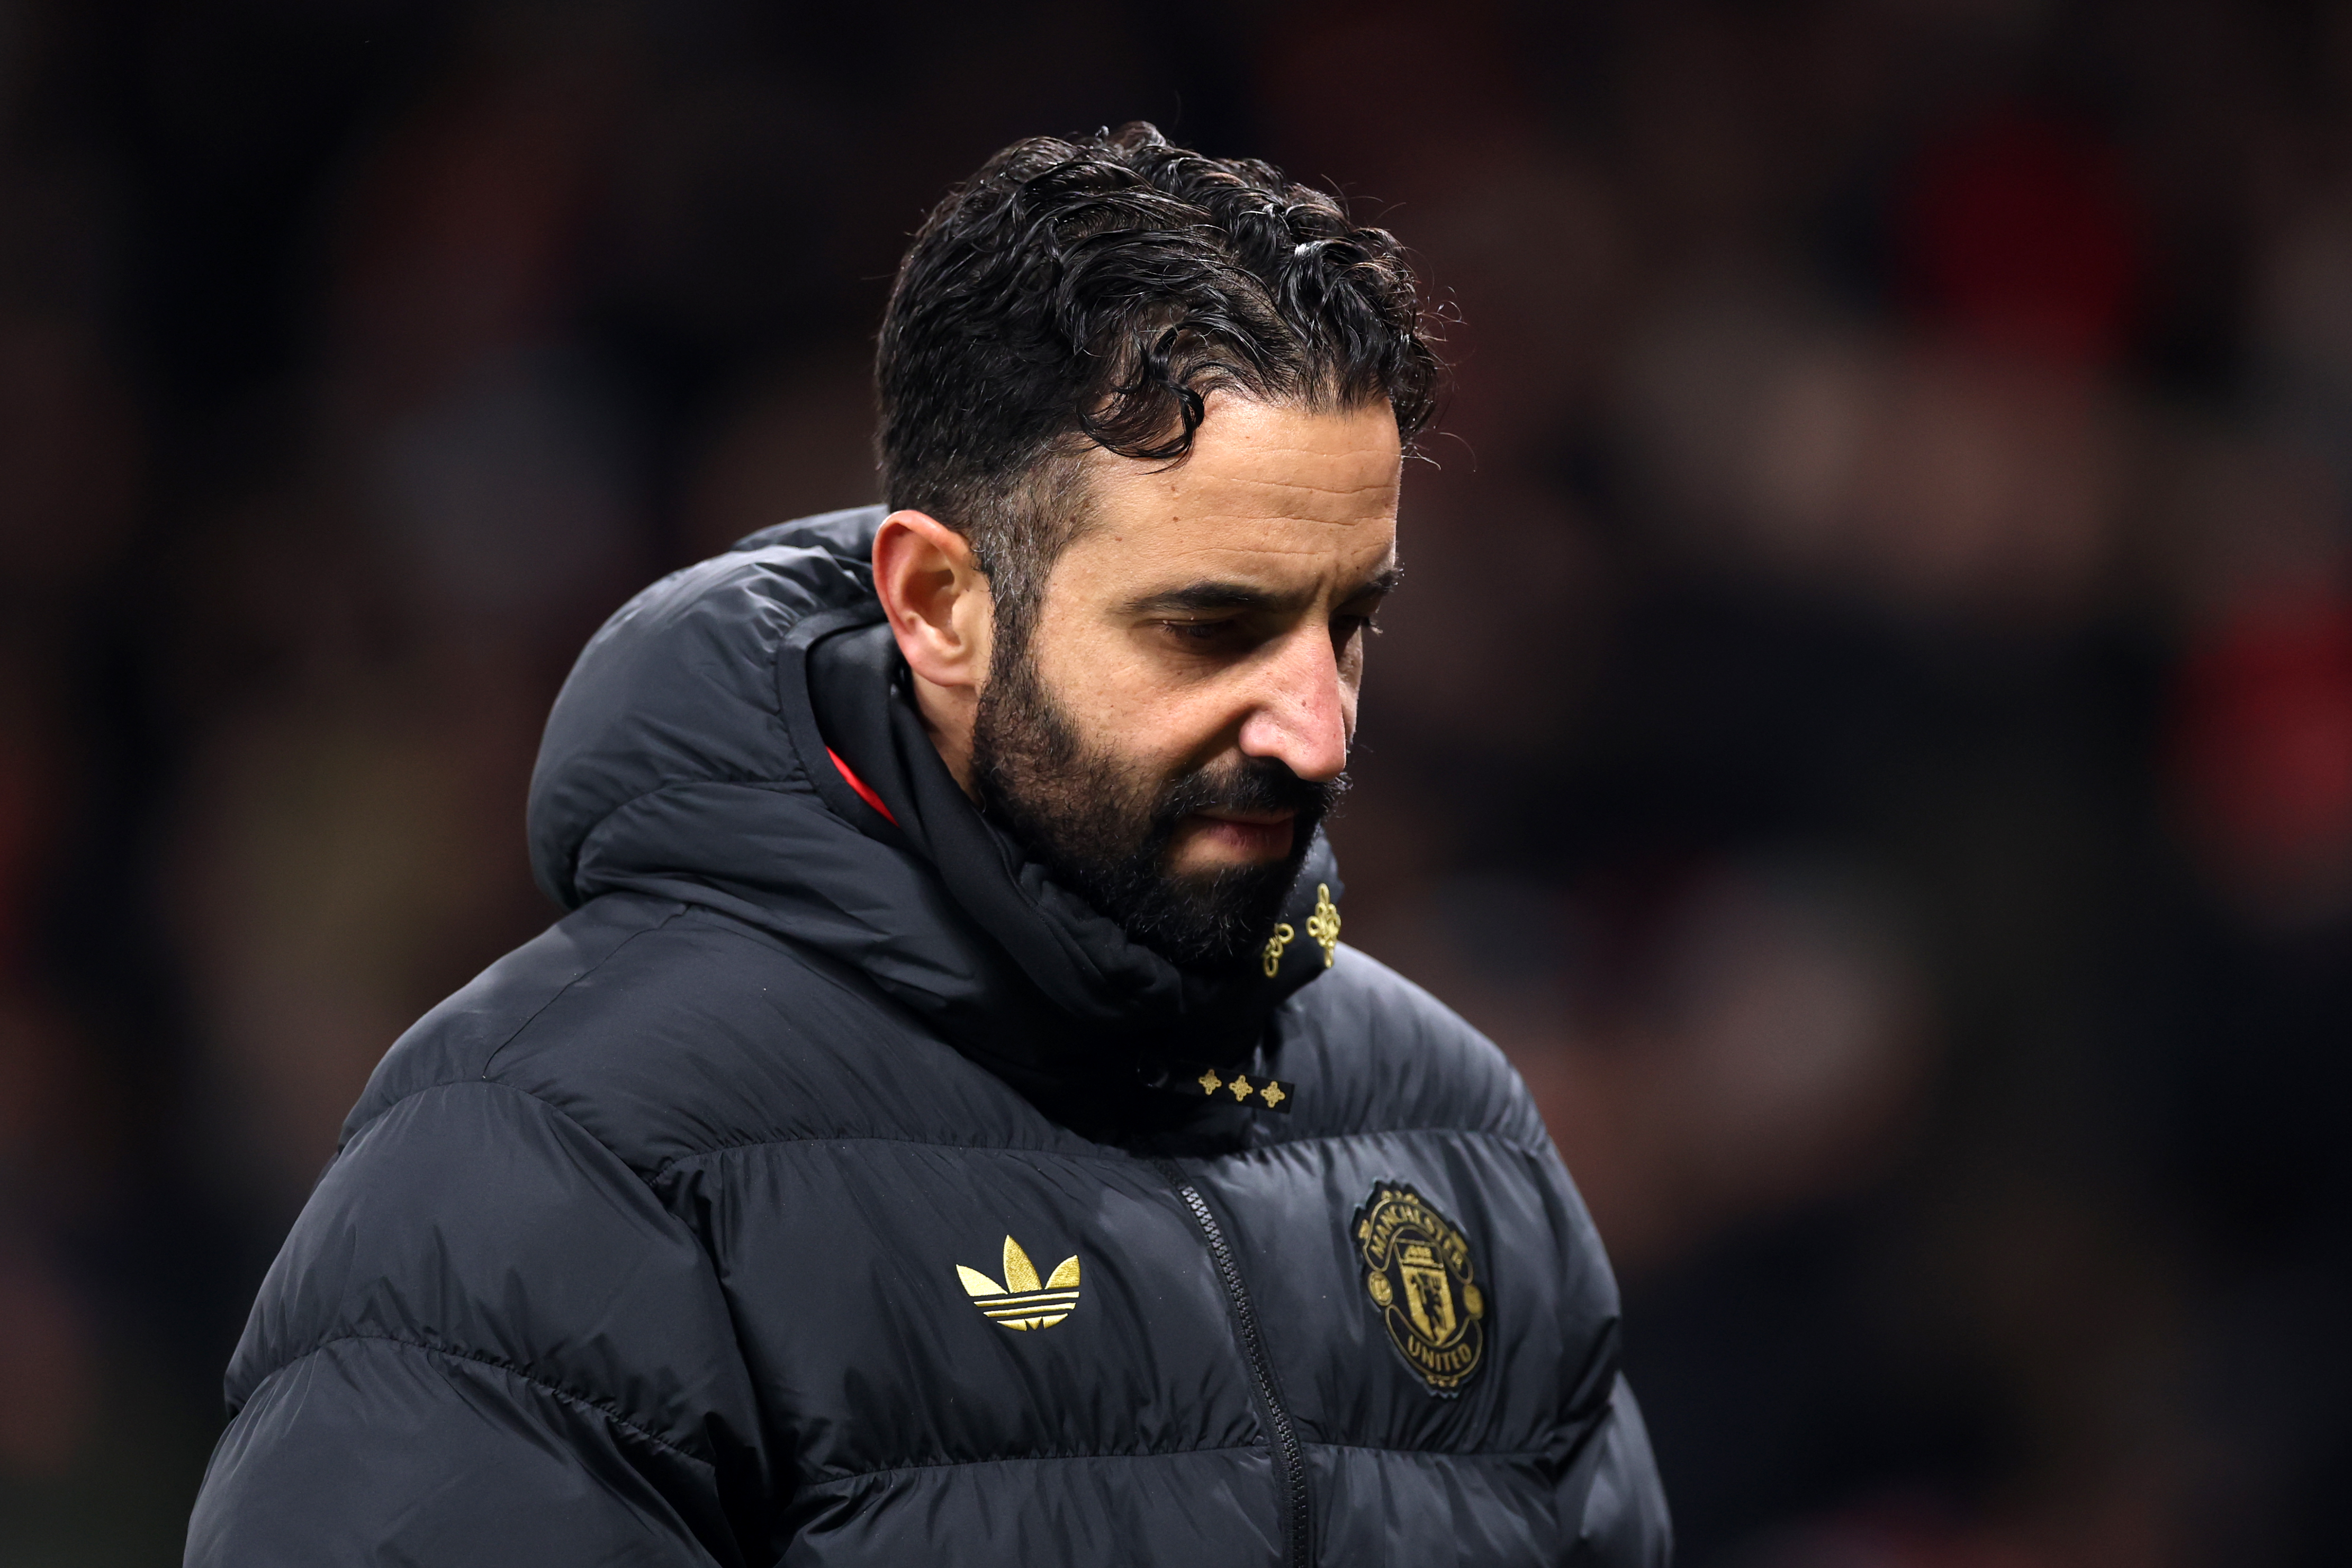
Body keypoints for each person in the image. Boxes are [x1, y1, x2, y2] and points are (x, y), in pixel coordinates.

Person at [185, 123, 1671, 1567]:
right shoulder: (555, 1161)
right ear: (939, 605)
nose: (1316, 729)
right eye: (1208, 625)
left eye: (1349, 623)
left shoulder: (1452, 1132)